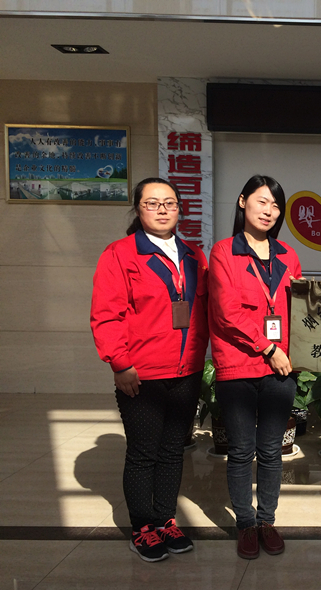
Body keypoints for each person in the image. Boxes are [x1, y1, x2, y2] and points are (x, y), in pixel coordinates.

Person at [90, 177, 209, 562]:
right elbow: (106, 315)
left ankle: (165, 520)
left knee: (173, 450)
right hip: (141, 374)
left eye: (169, 203)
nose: (162, 209)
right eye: (152, 203)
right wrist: (120, 363)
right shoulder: (120, 254)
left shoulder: (194, 256)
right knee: (143, 453)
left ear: (180, 209)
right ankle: (142, 527)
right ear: (138, 208)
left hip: (187, 371)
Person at [208, 175, 301, 560]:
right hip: (238, 366)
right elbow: (226, 312)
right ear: (243, 201)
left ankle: (267, 521)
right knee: (242, 451)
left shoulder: (288, 255)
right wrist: (268, 347)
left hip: (280, 370)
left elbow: (300, 309)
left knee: (272, 451)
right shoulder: (223, 252)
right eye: (262, 201)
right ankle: (245, 524)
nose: (269, 211)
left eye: (276, 206)